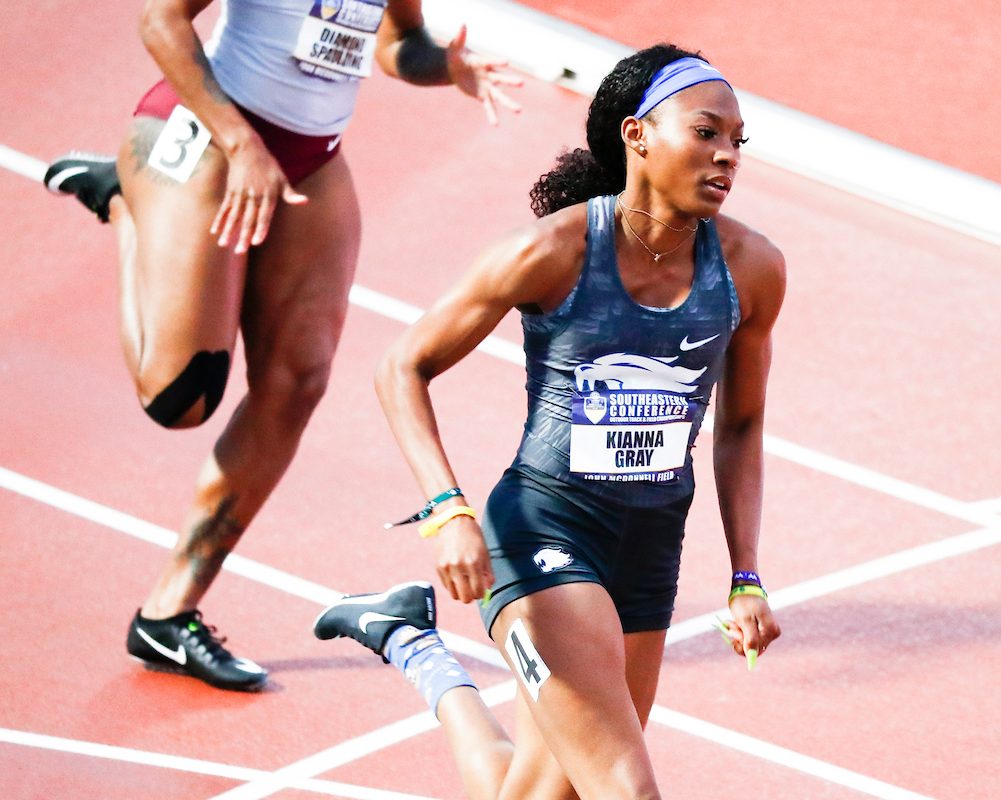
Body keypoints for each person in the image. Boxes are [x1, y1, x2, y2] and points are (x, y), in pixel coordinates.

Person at [314, 44, 785, 799]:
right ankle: (413, 639)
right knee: (626, 791)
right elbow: (401, 367)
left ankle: (410, 642)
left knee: (540, 792)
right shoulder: (552, 251)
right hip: (542, 535)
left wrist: (746, 576)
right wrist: (446, 510)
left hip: (651, 547)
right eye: (706, 133)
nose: (728, 155)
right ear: (637, 135)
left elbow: (740, 426)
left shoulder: (752, 270)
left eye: (738, 141)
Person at [43, 0, 521, 691]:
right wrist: (242, 147)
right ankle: (123, 198)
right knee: (179, 400)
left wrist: (446, 65)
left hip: (310, 159)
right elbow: (161, 22)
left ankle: (167, 615)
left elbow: (398, 42)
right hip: (212, 135)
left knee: (297, 384)